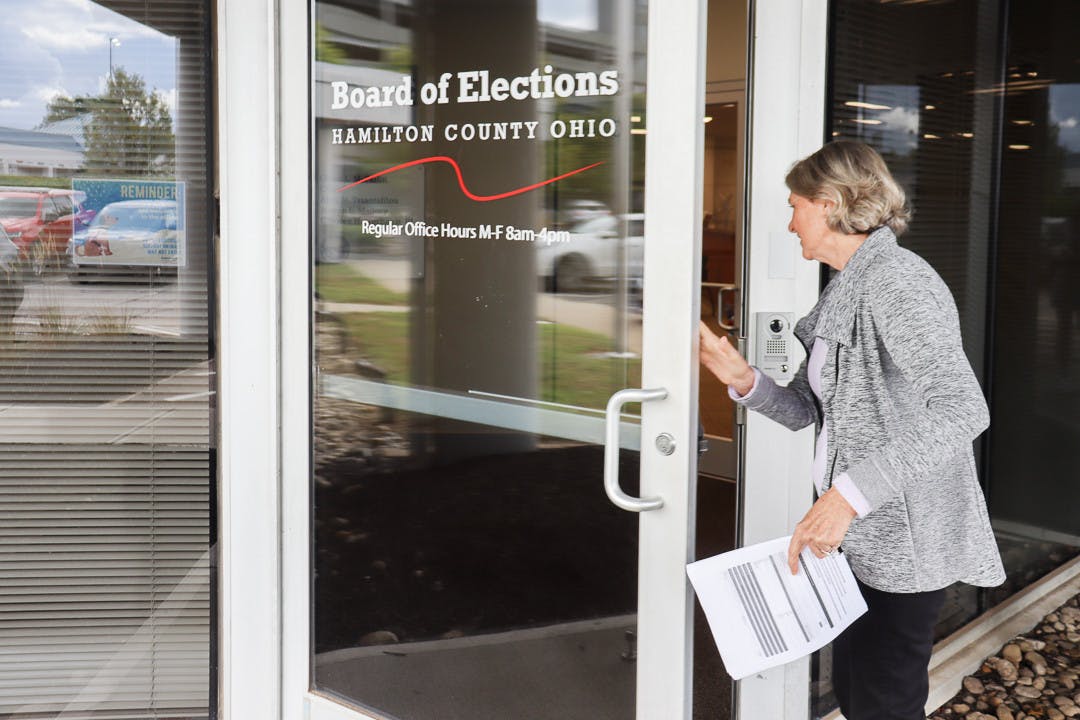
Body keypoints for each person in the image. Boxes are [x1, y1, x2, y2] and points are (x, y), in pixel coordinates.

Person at [699, 140, 1005, 720]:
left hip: (902, 543)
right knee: (857, 693)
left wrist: (844, 499)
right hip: (856, 541)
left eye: (794, 206)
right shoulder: (847, 285)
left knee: (884, 702)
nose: (790, 223)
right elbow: (807, 410)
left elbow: (962, 409)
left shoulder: (898, 283)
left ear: (830, 203)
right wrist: (742, 379)